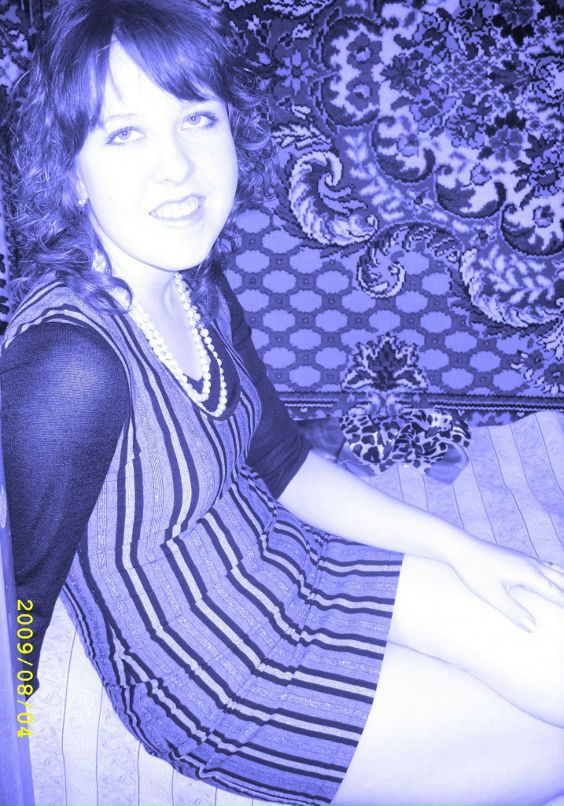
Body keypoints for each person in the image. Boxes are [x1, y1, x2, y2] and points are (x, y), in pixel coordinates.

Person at [1, 1, 564, 804]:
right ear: (70, 172)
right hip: (227, 685)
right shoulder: (69, 366)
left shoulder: (193, 281)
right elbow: (19, 598)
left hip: (301, 566)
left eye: (197, 119)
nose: (177, 168)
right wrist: (20, 735)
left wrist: (464, 553)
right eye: (124, 134)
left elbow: (284, 462)